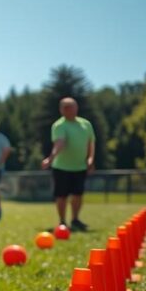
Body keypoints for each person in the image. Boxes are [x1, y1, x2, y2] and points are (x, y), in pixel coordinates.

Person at [42, 97, 95, 231]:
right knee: (61, 195)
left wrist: (90, 159)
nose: (68, 110)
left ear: (76, 108)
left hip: (80, 166)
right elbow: (60, 143)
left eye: (71, 107)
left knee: (78, 194)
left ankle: (75, 219)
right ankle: (62, 222)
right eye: (65, 108)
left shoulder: (86, 124)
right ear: (61, 110)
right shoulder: (59, 125)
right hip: (61, 167)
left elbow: (91, 142)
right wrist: (51, 158)